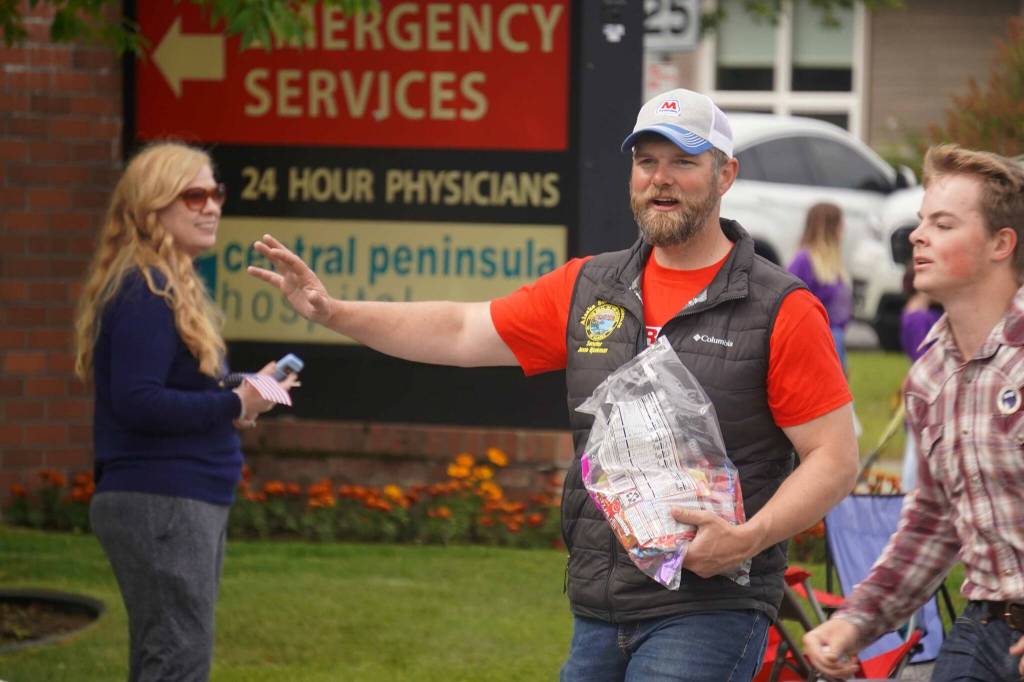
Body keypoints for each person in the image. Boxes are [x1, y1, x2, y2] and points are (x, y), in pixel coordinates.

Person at [248, 88, 859, 682]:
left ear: (726, 175)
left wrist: (746, 539)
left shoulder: (779, 306)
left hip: (711, 605)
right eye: (647, 162)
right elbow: (462, 330)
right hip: (600, 604)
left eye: (682, 162)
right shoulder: (589, 286)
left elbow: (833, 458)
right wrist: (335, 312)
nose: (660, 178)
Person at [73, 141, 295, 682]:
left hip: (175, 500)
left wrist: (242, 389)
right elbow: (137, 401)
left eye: (215, 193)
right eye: (193, 195)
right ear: (152, 207)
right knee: (177, 661)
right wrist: (232, 403)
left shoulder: (165, 284)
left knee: (167, 657)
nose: (212, 206)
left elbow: (163, 388)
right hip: (164, 501)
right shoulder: (146, 289)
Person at [803, 144, 1024, 681]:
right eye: (922, 221)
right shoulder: (929, 376)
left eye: (942, 224)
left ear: (1001, 243)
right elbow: (931, 523)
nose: (917, 236)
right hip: (988, 622)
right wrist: (855, 622)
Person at [788, 202, 853, 371]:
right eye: (840, 224)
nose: (844, 230)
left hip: (835, 340)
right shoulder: (804, 261)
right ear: (829, 227)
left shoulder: (834, 264)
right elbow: (790, 304)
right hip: (816, 341)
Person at [898, 269, 943, 490]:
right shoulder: (918, 316)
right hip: (928, 394)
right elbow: (923, 356)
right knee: (916, 462)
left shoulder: (927, 312)